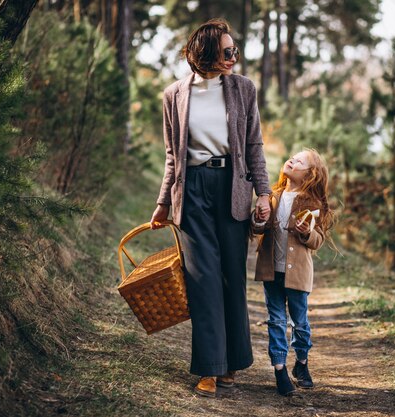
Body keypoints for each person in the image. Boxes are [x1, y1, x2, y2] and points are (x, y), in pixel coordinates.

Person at [150, 19, 272, 398]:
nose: (233, 57)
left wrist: (264, 193)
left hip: (233, 187)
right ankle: (209, 367)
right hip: (193, 190)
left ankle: (232, 361)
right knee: (202, 278)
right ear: (204, 54)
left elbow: (254, 146)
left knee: (230, 276)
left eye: (234, 51)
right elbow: (173, 155)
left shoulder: (243, 89)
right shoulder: (174, 95)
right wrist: (162, 203)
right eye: (227, 51)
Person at [251, 149, 335, 396]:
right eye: (292, 157)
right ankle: (279, 369)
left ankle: (301, 363)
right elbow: (257, 228)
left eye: (299, 161)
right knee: (276, 320)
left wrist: (306, 232)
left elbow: (317, 240)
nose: (292, 160)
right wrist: (258, 219)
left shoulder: (313, 205)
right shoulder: (272, 197)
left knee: (300, 323)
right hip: (271, 271)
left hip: (297, 275)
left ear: (310, 174)